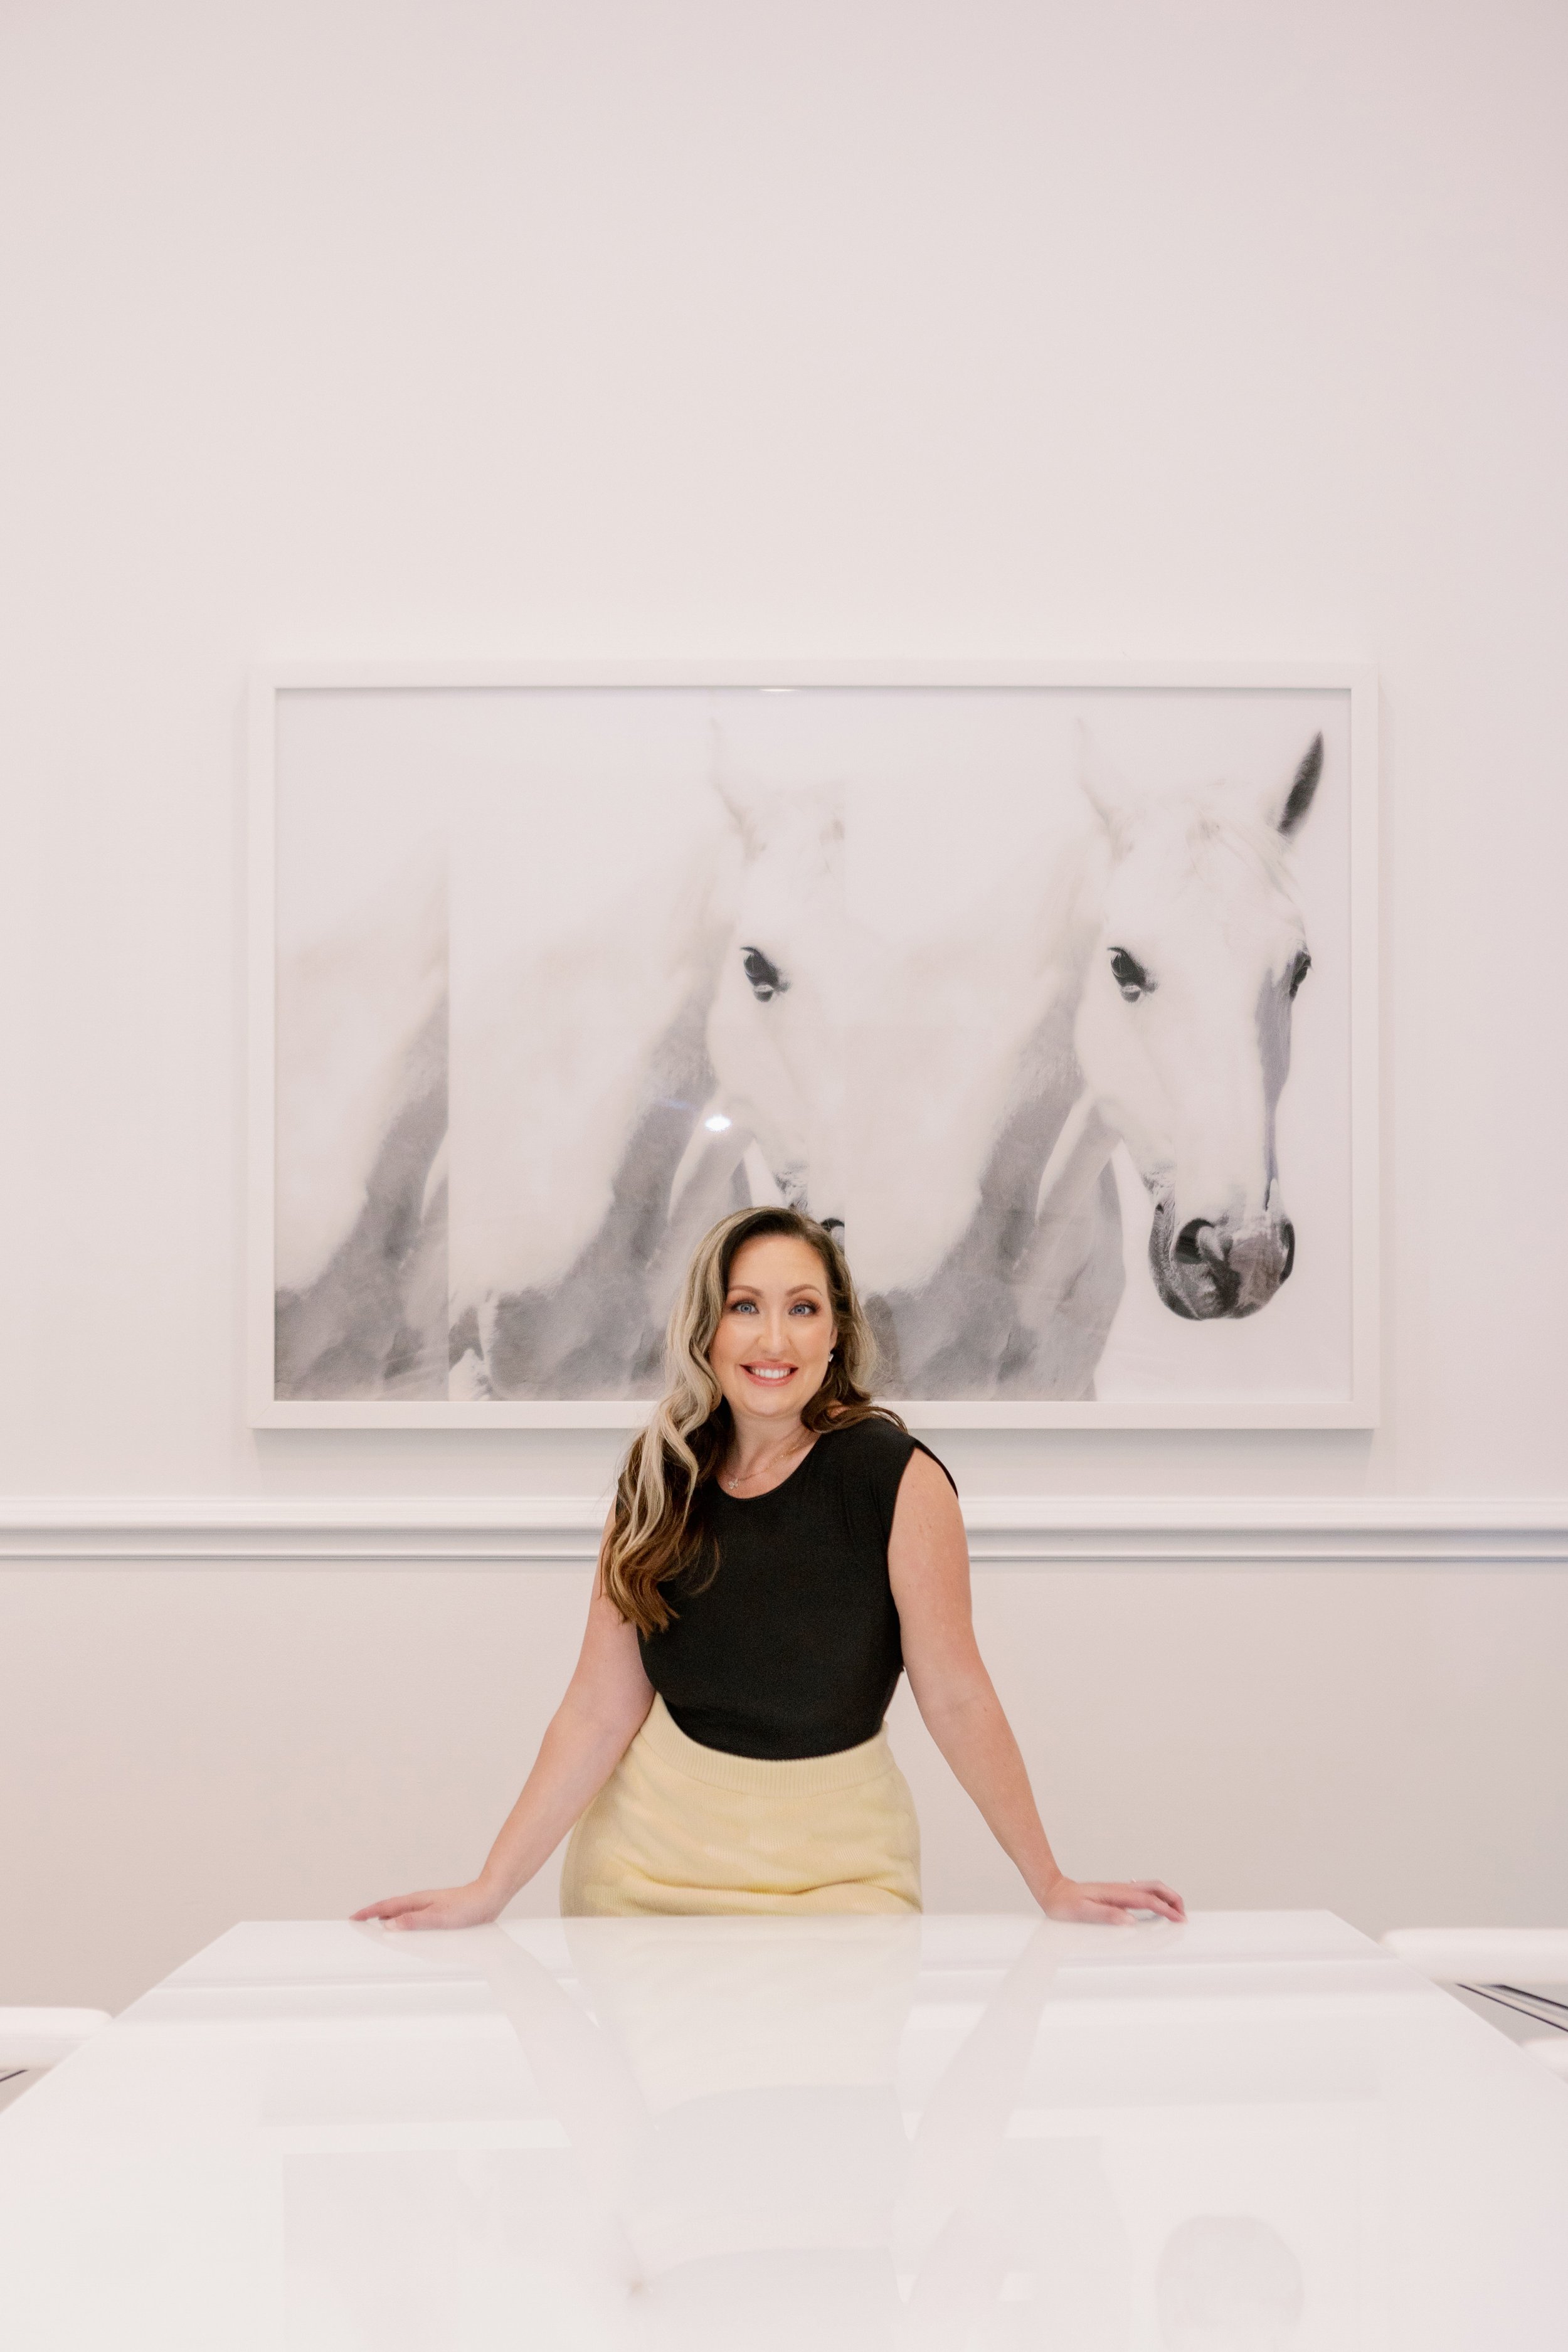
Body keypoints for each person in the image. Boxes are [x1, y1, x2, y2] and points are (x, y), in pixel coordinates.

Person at [354, 1206, 1184, 1928]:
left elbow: (957, 1696)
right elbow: (597, 1712)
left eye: (803, 1308)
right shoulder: (658, 1479)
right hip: (642, 1880)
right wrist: (490, 1888)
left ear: (836, 1333)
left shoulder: (897, 1478)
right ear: (707, 1328)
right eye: (744, 1306)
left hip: (843, 1882)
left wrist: (1050, 1882)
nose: (774, 1339)